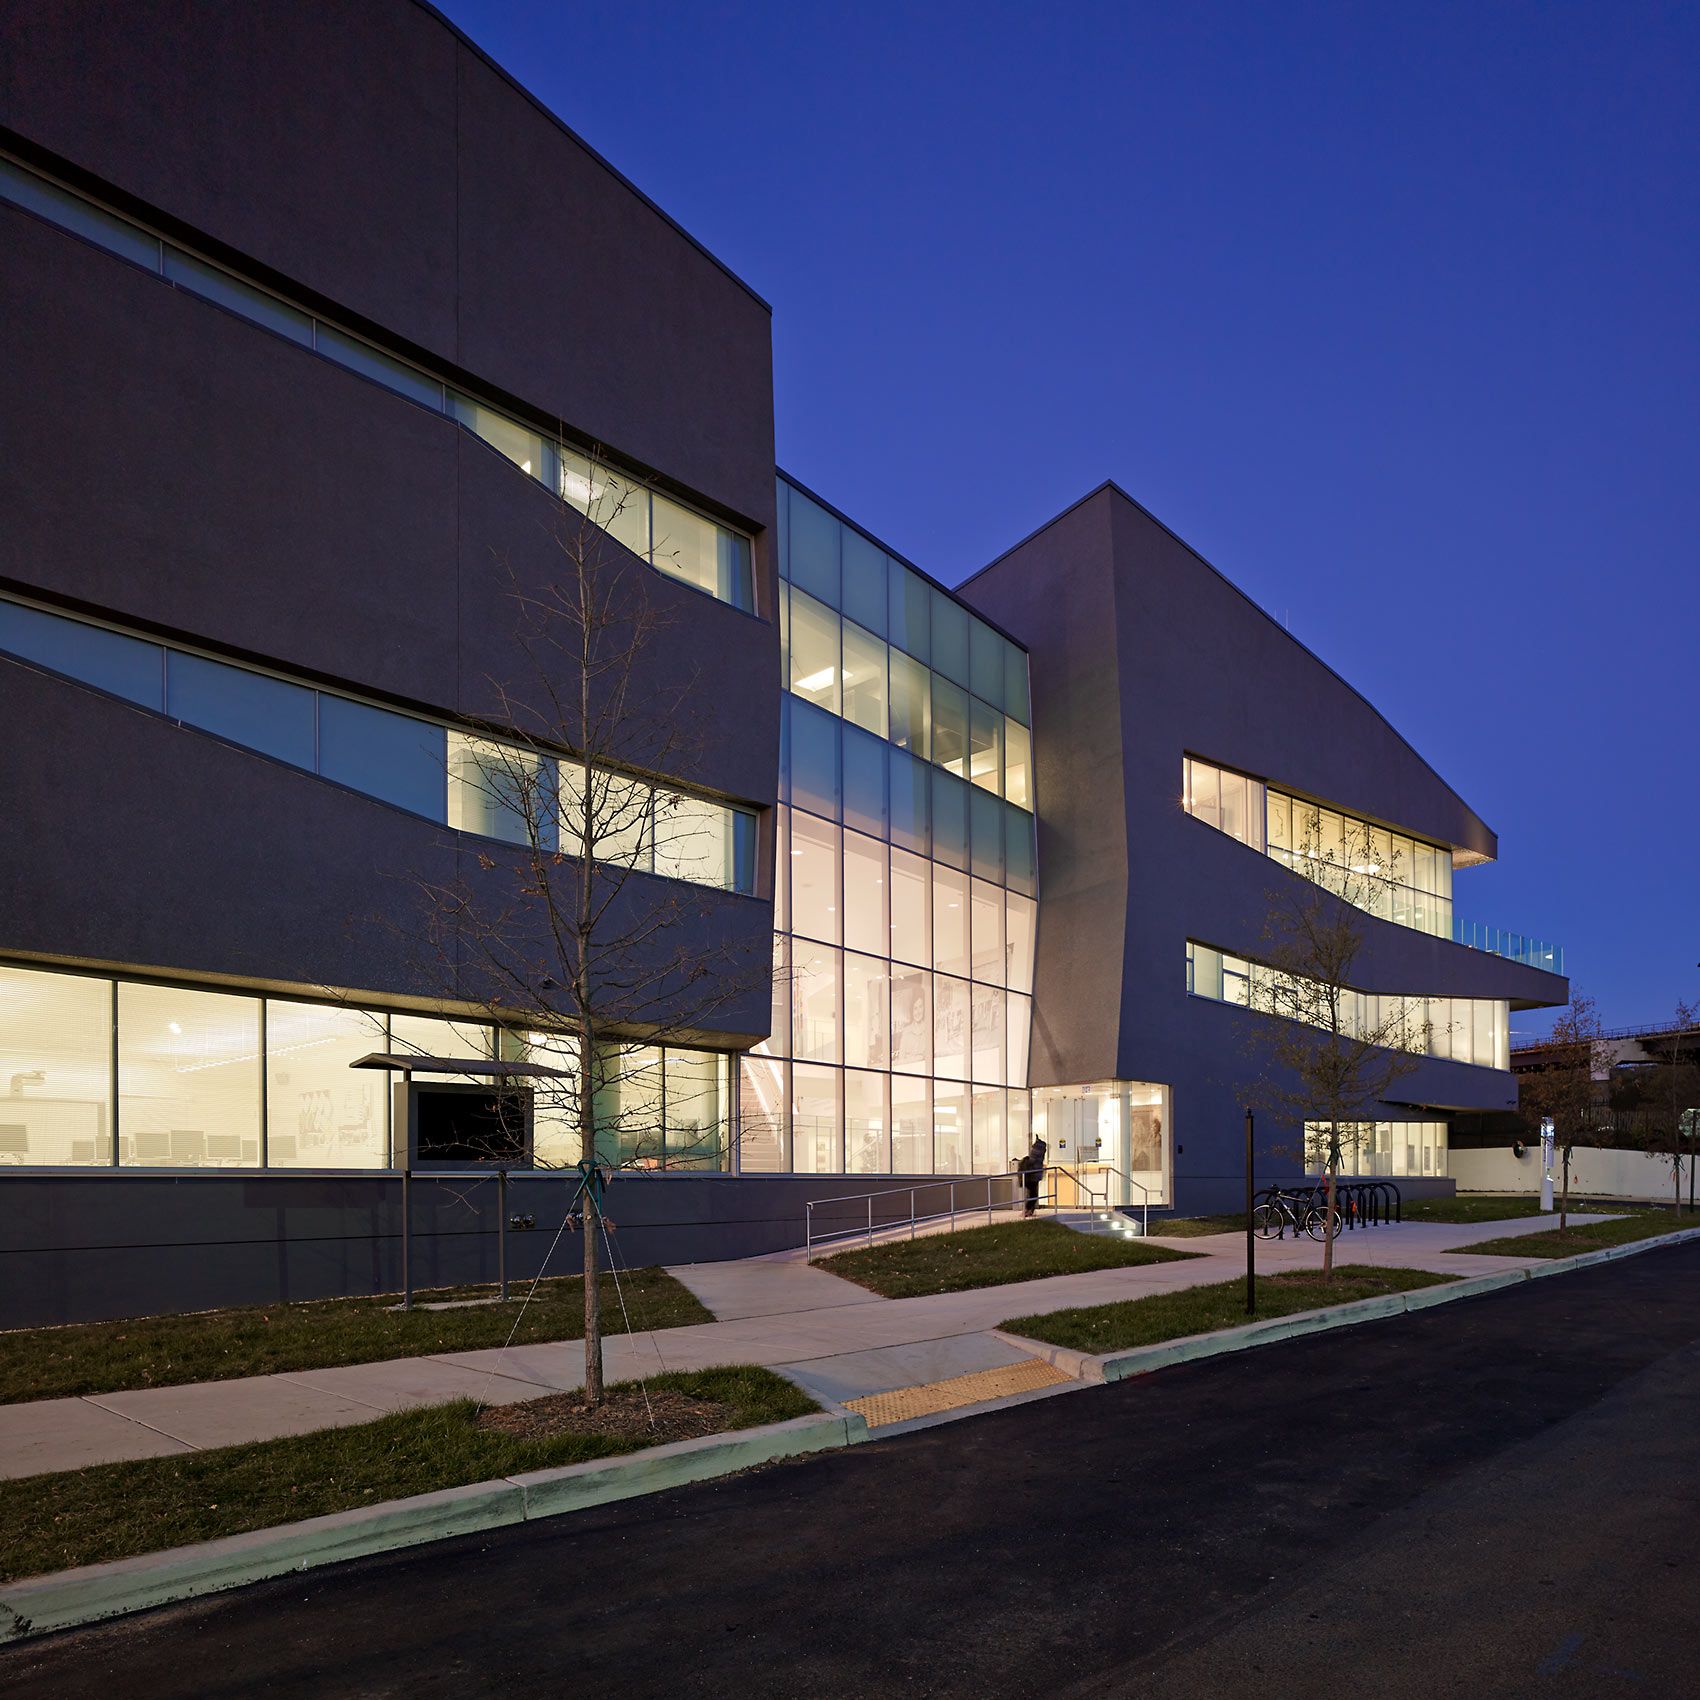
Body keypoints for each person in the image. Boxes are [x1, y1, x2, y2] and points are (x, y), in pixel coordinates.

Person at [1018, 1134, 1048, 1218]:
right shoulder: (1039, 1152)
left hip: (1031, 1175)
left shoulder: (1035, 1153)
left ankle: (1028, 1210)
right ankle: (1028, 1210)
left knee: (1032, 1194)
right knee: (1033, 1194)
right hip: (1034, 1176)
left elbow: (1033, 1161)